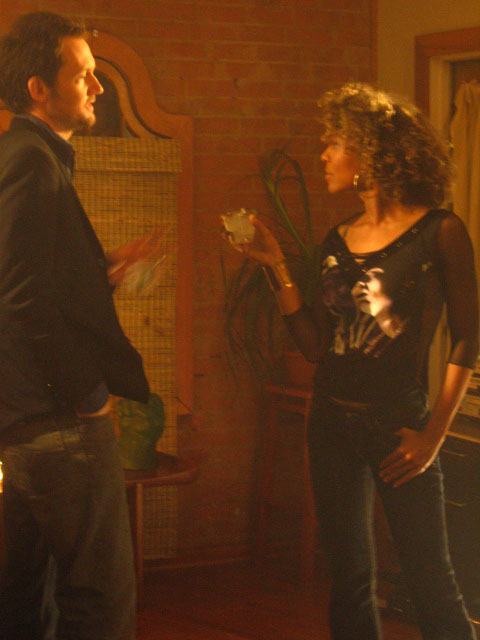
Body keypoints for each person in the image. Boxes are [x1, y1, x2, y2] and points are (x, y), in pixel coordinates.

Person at [230, 83, 479, 639]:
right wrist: (276, 266)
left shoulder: (440, 232)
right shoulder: (337, 239)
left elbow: (468, 337)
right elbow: (317, 346)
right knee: (349, 581)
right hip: (330, 423)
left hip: (400, 426)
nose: (324, 154)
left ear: (371, 151)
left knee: (431, 582)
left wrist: (433, 435)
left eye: (335, 142)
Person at [0, 12, 156, 640]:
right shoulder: (31, 162)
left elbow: (28, 276)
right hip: (56, 422)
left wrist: (100, 271)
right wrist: (84, 398)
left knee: (23, 600)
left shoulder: (25, 155)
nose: (99, 86)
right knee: (99, 601)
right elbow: (21, 299)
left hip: (24, 421)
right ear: (39, 88)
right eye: (84, 74)